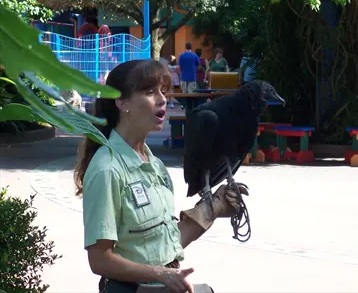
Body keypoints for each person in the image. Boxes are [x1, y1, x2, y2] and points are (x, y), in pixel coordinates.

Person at [73, 60, 248, 293]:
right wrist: (159, 274)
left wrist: (214, 207)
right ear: (122, 102)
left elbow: (165, 244)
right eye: (149, 92)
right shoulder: (107, 169)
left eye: (163, 91)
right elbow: (100, 260)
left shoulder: (154, 164)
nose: (163, 99)